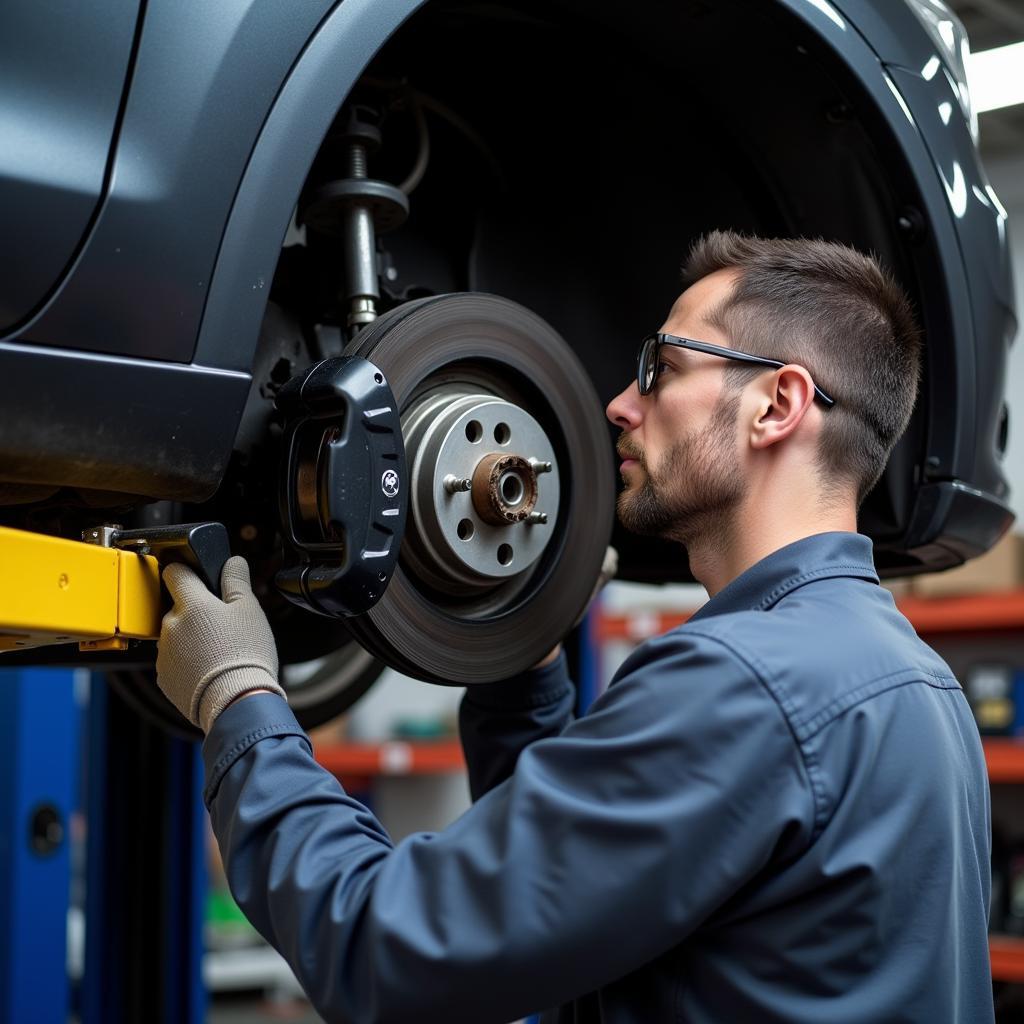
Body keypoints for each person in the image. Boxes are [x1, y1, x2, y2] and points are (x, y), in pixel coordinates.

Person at [156, 230, 993, 1023]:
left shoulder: (747, 685)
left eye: (660, 369)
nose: (620, 404)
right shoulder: (913, 683)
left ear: (778, 403)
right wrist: (520, 651)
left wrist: (241, 702)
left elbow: (386, 947)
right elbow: (602, 887)